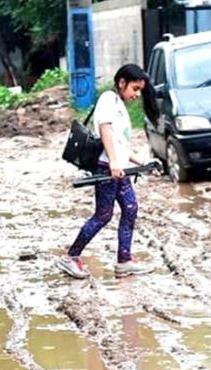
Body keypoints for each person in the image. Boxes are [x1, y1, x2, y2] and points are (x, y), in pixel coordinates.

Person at [56, 63, 160, 279]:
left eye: (139, 90)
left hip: (116, 167)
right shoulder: (108, 99)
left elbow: (118, 140)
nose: (137, 94)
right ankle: (71, 256)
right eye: (135, 89)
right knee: (103, 215)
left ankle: (124, 261)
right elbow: (104, 128)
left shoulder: (118, 103)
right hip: (107, 167)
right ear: (122, 83)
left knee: (130, 209)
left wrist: (139, 160)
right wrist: (113, 162)